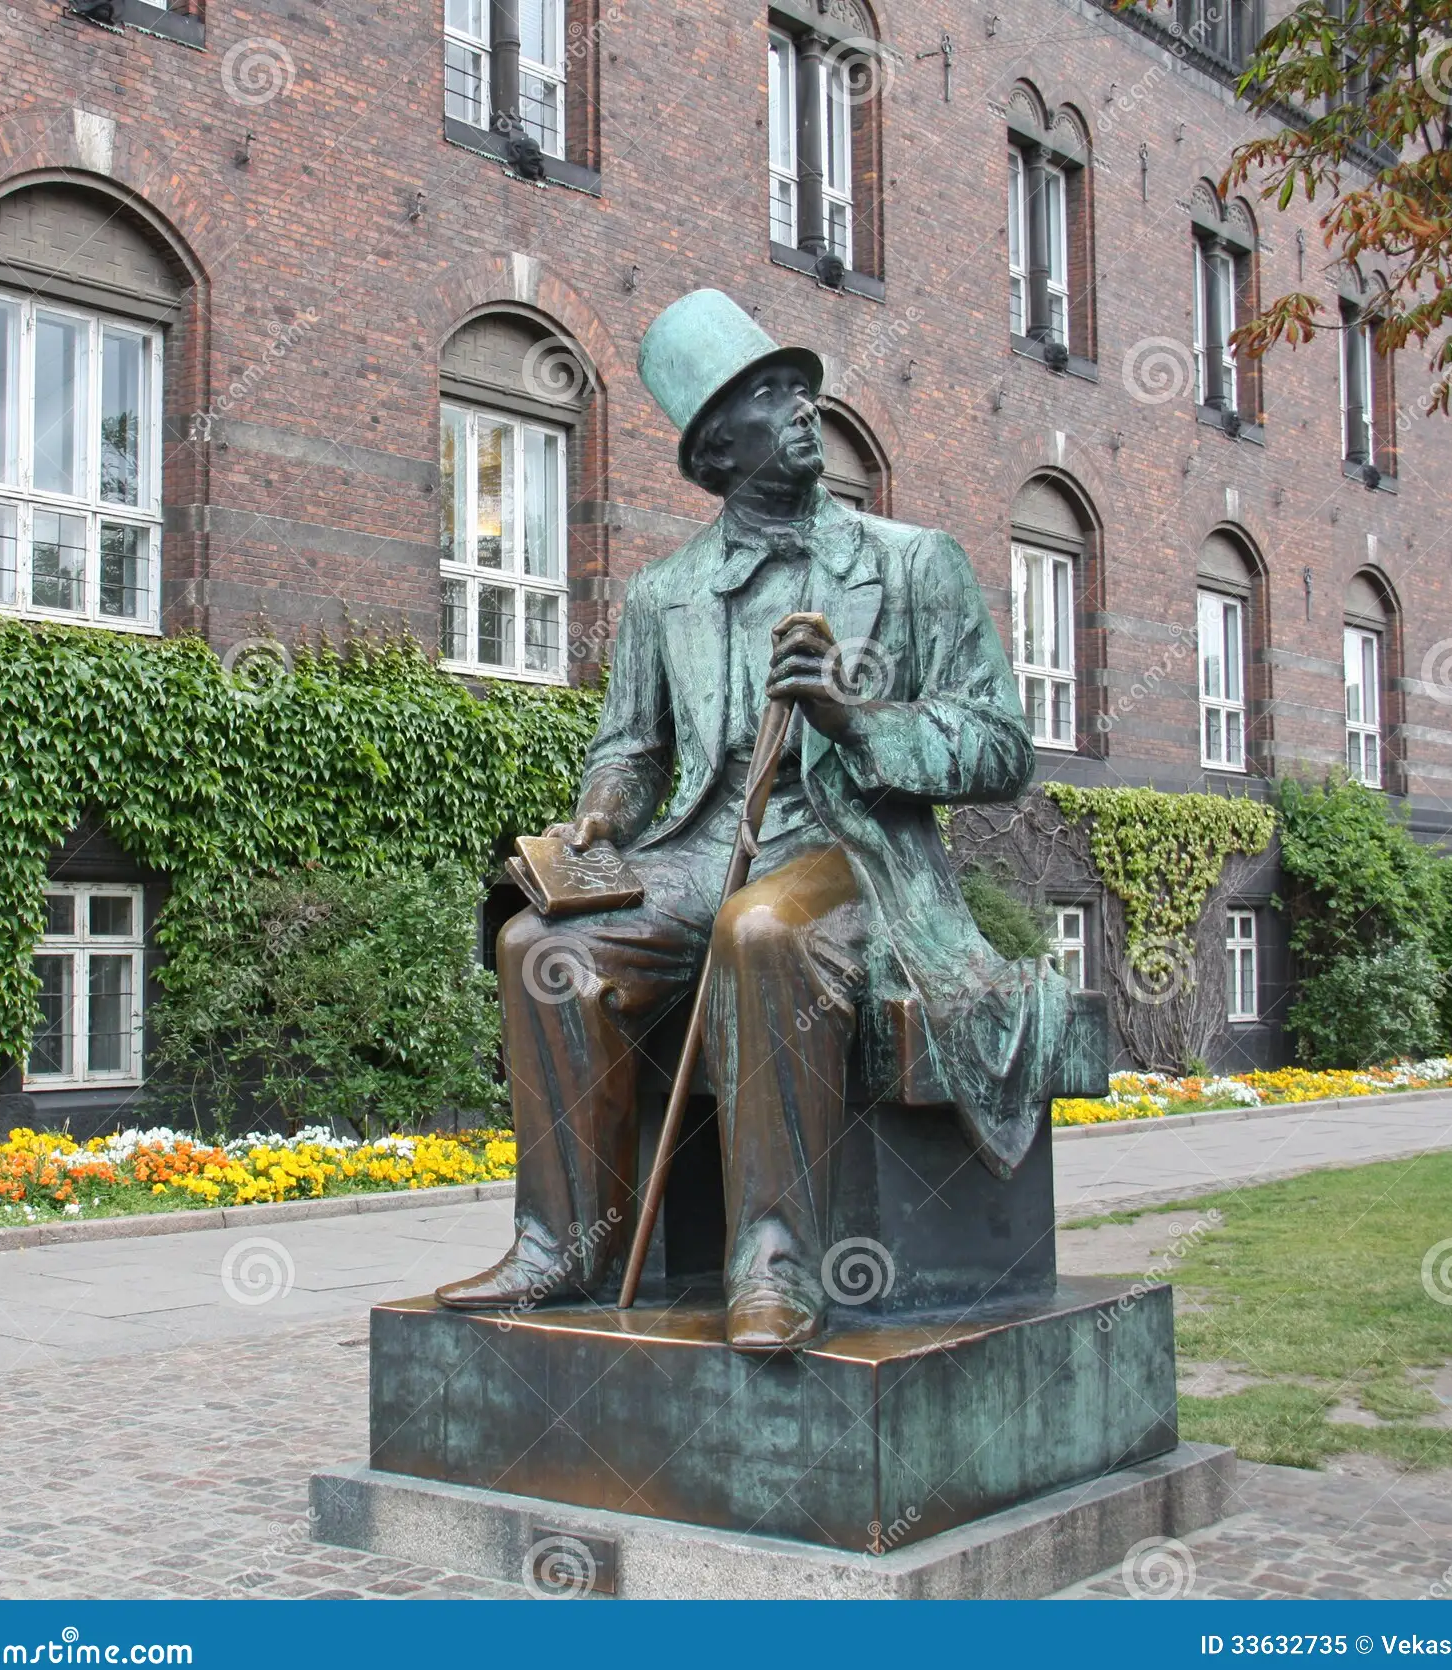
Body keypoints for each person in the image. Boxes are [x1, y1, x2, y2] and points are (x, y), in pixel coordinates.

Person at [437, 289, 1068, 1350]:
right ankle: (568, 1247)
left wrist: (856, 719)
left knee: (764, 931)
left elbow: (1000, 747)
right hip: (696, 851)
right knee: (540, 942)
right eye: (772, 396)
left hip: (850, 853)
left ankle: (775, 1260)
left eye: (803, 390)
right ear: (716, 448)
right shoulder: (664, 594)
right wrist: (601, 815)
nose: (803, 409)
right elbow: (630, 750)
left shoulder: (912, 564)